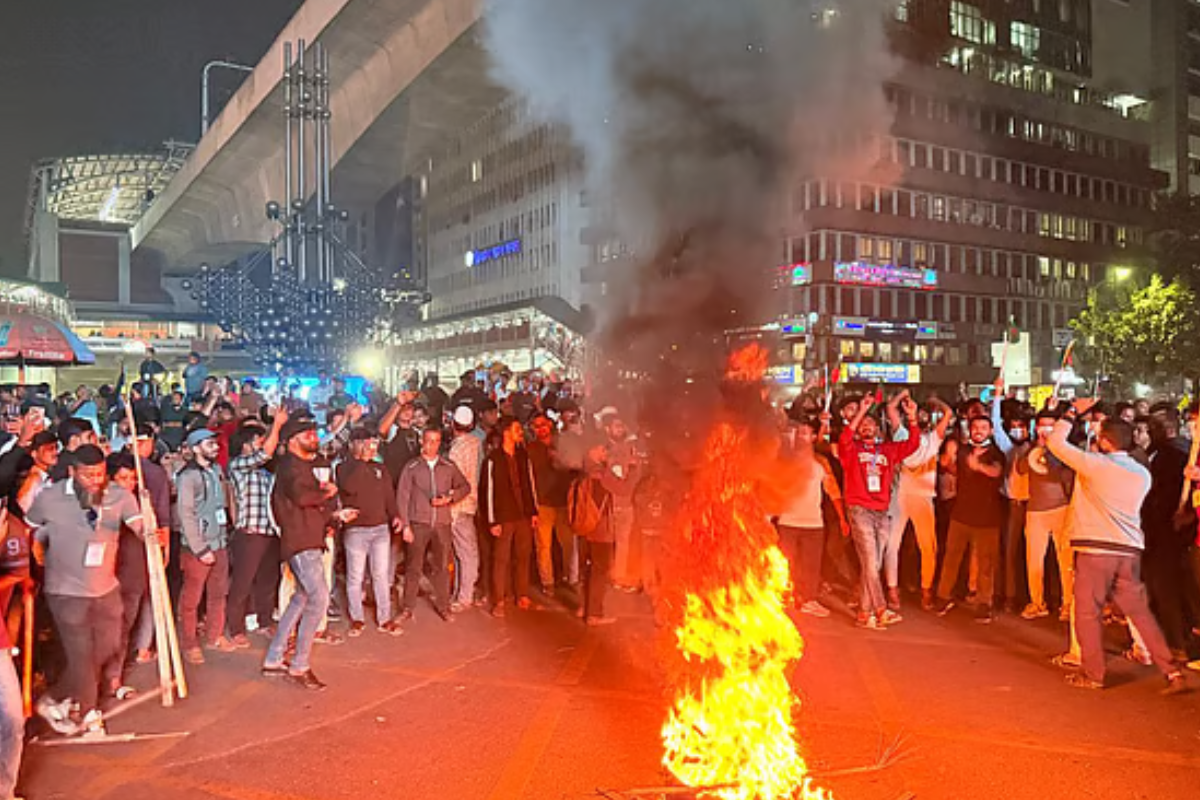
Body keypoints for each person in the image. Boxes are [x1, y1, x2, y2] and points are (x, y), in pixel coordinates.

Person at [1046, 401, 1187, 694]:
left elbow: (1055, 443)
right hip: (1129, 550)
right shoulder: (1141, 473)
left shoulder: (1096, 465)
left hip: (1096, 550)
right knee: (1140, 613)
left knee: (1088, 612)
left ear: (1105, 441)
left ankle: (1093, 673)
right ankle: (1172, 671)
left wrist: (1070, 412)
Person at [30, 444, 144, 736]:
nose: (95, 480)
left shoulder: (119, 495)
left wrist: (149, 531)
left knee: (108, 647)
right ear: (72, 471)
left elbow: (138, 524)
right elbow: (29, 527)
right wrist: (37, 551)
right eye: (87, 475)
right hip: (65, 591)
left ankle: (53, 698)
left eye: (100, 474)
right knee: (81, 654)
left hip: (106, 588)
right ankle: (90, 715)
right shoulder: (50, 497)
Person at [263, 417, 352, 690]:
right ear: (292, 441)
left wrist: (334, 516)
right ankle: (300, 665)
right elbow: (303, 498)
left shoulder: (304, 466)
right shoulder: (290, 467)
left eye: (314, 433)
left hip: (310, 538)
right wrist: (328, 492)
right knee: (319, 598)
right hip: (300, 542)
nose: (314, 438)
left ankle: (274, 658)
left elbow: (310, 505)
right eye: (308, 435)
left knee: (301, 597)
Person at [838, 392, 920, 629]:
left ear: (878, 429)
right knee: (870, 560)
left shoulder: (887, 450)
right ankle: (881, 608)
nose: (867, 427)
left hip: (882, 512)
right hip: (859, 509)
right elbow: (845, 437)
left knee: (872, 565)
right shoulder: (850, 449)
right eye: (863, 424)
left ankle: (864, 614)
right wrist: (862, 410)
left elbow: (912, 444)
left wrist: (912, 418)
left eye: (871, 424)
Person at [935, 415, 1007, 623]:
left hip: (988, 518)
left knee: (985, 563)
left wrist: (979, 467)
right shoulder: (963, 450)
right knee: (951, 558)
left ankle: (984, 603)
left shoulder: (996, 454)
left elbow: (996, 472)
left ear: (990, 431)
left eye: (983, 427)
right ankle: (943, 597)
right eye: (975, 427)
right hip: (961, 514)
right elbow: (955, 470)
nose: (978, 431)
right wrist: (948, 461)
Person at [226, 411, 288, 647]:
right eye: (259, 441)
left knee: (267, 581)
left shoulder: (264, 473)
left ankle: (264, 621)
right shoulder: (237, 465)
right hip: (249, 533)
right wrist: (276, 425)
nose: (263, 444)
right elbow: (266, 453)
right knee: (242, 583)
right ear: (246, 445)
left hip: (268, 532)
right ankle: (236, 627)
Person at [395, 428, 469, 622]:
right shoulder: (412, 467)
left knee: (442, 567)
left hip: (442, 523)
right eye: (429, 440)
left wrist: (449, 498)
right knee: (413, 567)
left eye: (436, 441)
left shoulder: (448, 466)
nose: (432, 445)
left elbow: (465, 486)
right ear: (422, 441)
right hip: (418, 523)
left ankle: (444, 606)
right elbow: (402, 497)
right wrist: (406, 525)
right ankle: (408, 608)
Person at [885, 397, 951, 611]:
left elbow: (948, 414)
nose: (921, 417)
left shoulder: (933, 439)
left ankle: (925, 589)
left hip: (923, 497)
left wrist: (934, 401)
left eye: (924, 414)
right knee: (892, 545)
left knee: (928, 547)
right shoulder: (904, 435)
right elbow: (891, 409)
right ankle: (893, 590)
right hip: (902, 495)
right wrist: (904, 396)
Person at [779, 417, 848, 617]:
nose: (801, 436)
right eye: (798, 433)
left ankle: (808, 599)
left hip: (814, 523)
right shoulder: (785, 460)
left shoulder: (821, 463)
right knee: (786, 563)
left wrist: (842, 519)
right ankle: (785, 596)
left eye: (805, 433)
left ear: (813, 437)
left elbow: (833, 491)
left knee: (811, 566)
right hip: (787, 522)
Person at [336, 428, 403, 635]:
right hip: (356, 530)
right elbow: (350, 487)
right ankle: (357, 618)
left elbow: (388, 495)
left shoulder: (380, 468)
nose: (369, 447)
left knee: (381, 575)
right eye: (364, 443)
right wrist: (361, 461)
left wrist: (395, 515)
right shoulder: (343, 468)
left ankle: (385, 619)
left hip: (380, 528)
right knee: (355, 577)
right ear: (352, 444)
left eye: (372, 444)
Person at [176, 428, 234, 663]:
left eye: (215, 443)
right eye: (209, 444)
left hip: (219, 541)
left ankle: (214, 635)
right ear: (195, 448)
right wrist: (199, 548)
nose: (215, 447)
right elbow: (185, 514)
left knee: (219, 593)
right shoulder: (187, 477)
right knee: (191, 600)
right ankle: (189, 644)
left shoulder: (216, 470)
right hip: (197, 548)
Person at [479, 416, 540, 618]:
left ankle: (522, 594)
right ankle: (498, 600)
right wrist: (492, 521)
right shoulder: (493, 459)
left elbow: (530, 484)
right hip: (504, 516)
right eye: (516, 429)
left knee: (523, 556)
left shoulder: (523, 456)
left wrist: (533, 511)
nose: (520, 432)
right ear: (506, 432)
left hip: (523, 514)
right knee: (501, 559)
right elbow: (488, 492)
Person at [1017, 409, 1075, 620]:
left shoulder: (1066, 451)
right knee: (1034, 559)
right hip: (1035, 511)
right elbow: (1021, 468)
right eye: (1042, 425)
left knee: (1065, 560)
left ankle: (1068, 603)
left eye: (1050, 426)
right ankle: (1037, 602)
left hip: (1061, 509)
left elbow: (1062, 476)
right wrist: (1037, 449)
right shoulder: (1031, 448)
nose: (1045, 430)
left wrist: (1051, 451)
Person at [570, 442, 632, 625]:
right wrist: (632, 468)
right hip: (600, 529)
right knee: (600, 570)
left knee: (586, 568)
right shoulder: (601, 473)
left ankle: (584, 607)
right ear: (593, 450)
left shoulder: (581, 471)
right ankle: (594, 614)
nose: (606, 452)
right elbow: (624, 489)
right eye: (602, 449)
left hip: (583, 527)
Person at [527, 413, 575, 596]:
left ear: (550, 424)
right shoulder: (531, 449)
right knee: (543, 546)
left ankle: (570, 578)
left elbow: (574, 468)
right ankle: (548, 582)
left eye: (543, 424)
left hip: (563, 502)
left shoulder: (563, 444)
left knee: (568, 544)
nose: (541, 429)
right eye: (537, 426)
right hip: (542, 504)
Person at [447, 406, 483, 611]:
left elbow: (453, 481)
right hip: (471, 503)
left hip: (458, 505)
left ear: (453, 424)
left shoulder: (456, 450)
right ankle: (462, 592)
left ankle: (464, 597)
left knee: (464, 553)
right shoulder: (476, 443)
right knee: (466, 552)